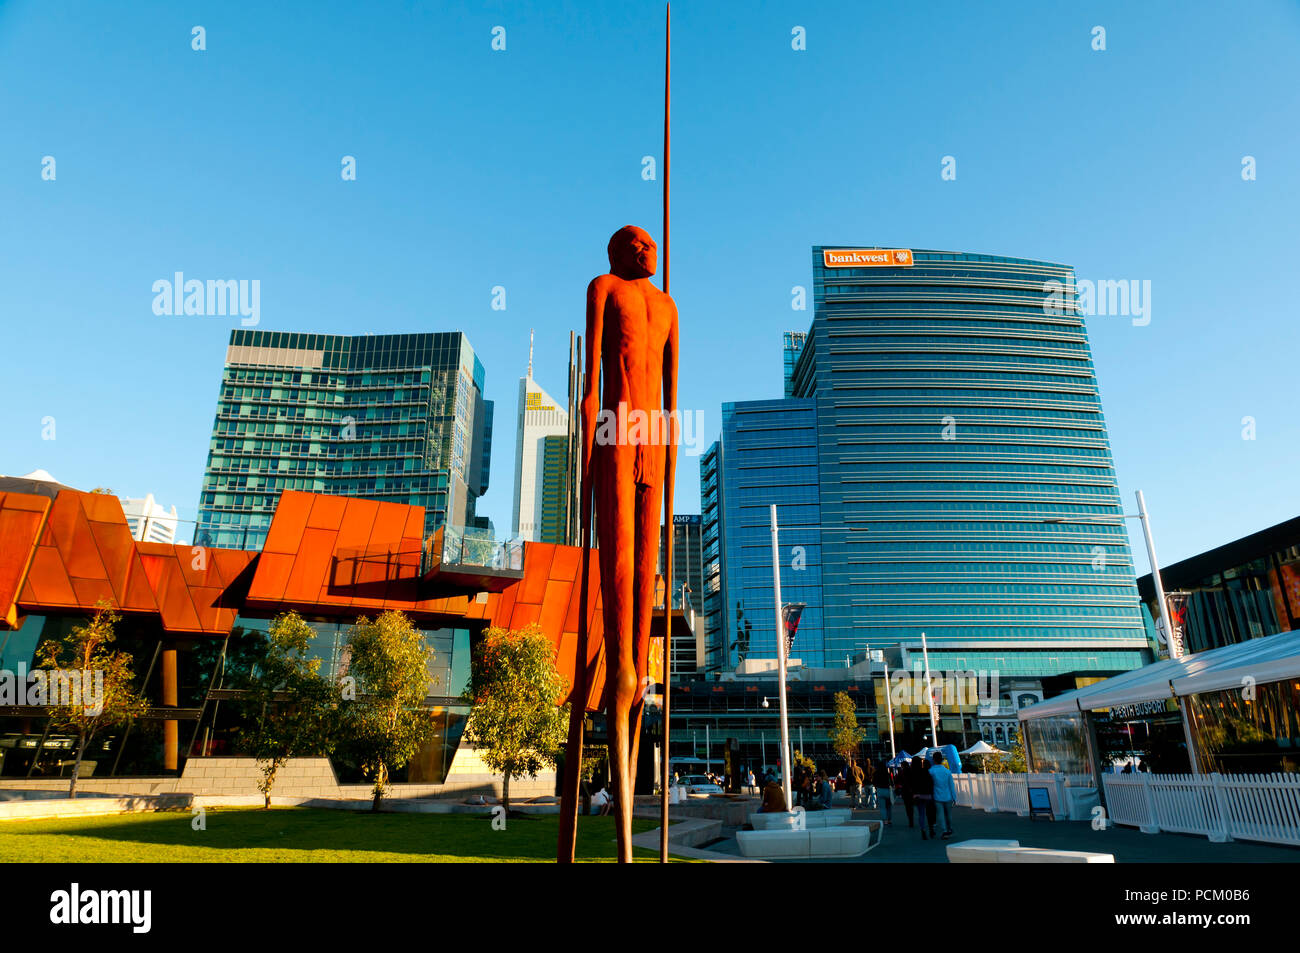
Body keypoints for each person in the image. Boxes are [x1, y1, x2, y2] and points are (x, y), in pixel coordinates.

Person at [929, 750, 955, 838]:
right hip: (948, 795)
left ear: (934, 760)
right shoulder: (947, 772)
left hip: (937, 796)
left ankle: (944, 830)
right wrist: (954, 797)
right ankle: (950, 828)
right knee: (948, 814)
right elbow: (951, 785)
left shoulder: (931, 771)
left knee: (940, 814)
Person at [910, 754, 935, 840]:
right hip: (927, 795)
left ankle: (923, 830)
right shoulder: (925, 770)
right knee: (929, 813)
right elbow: (930, 782)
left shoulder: (912, 772)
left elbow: (911, 785)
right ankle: (931, 828)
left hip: (917, 796)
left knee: (921, 814)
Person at [873, 759, 894, 825]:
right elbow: (891, 782)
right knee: (888, 806)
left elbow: (874, 782)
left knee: (882, 807)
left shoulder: (876, 773)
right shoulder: (887, 773)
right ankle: (889, 819)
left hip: (880, 790)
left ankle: (885, 820)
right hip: (887, 790)